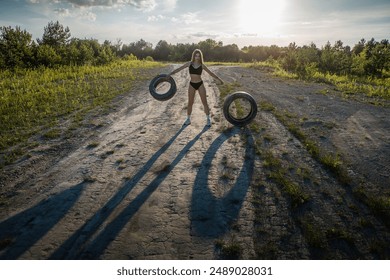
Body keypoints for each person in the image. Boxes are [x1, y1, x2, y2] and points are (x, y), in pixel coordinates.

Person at [166, 49, 224, 127]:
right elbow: (179, 69)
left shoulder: (202, 65)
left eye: (199, 56)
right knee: (190, 102)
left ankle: (208, 119)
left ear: (200, 57)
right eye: (196, 56)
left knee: (205, 102)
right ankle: (188, 119)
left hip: (200, 84)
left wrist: (219, 79)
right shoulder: (189, 64)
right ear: (194, 56)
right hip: (192, 84)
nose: (197, 57)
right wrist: (170, 74)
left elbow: (211, 73)